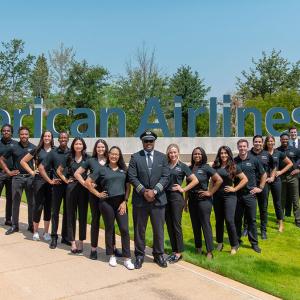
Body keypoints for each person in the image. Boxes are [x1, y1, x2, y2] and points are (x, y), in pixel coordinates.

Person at [86, 146, 134, 270]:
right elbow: (88, 182)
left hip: (121, 203)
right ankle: (111, 255)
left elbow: (128, 187)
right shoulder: (102, 169)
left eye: (116, 154)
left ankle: (127, 258)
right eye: (112, 154)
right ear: (108, 155)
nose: (114, 156)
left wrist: (125, 201)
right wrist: (97, 194)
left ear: (119, 156)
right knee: (109, 228)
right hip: (106, 203)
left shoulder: (124, 170)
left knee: (124, 229)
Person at [128, 130, 170, 269]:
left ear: (154, 142)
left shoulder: (162, 157)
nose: (148, 143)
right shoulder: (135, 157)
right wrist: (144, 191)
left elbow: (165, 177)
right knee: (140, 229)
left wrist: (155, 191)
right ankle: (139, 255)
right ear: (142, 142)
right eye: (146, 141)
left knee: (159, 230)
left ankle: (158, 255)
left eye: (151, 141)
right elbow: (132, 177)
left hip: (158, 200)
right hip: (140, 200)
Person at [74, 139, 121, 260]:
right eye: (98, 147)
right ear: (96, 148)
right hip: (94, 195)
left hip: (108, 196)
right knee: (95, 221)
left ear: (106, 148)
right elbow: (77, 174)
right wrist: (86, 184)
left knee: (110, 222)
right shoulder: (90, 161)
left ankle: (113, 248)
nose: (101, 149)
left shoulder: (110, 160)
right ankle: (94, 249)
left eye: (103, 147)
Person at [186, 147, 222, 260]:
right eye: (195, 154)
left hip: (203, 200)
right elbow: (187, 186)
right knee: (195, 225)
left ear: (203, 155)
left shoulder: (206, 167)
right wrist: (185, 201)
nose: (197, 156)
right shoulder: (189, 168)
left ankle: (210, 251)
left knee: (205, 225)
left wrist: (210, 192)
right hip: (192, 200)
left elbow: (219, 180)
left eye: (199, 154)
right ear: (192, 155)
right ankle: (198, 248)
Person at [165, 144, 199, 263]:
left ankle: (179, 253)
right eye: (170, 152)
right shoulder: (165, 165)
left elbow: (195, 180)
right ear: (168, 154)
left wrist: (183, 189)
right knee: (169, 224)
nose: (172, 154)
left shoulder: (183, 166)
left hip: (176, 198)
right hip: (165, 197)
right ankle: (174, 251)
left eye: (174, 152)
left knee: (176, 225)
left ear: (178, 152)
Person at [0, 126, 36, 235]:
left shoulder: (34, 147)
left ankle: (31, 226)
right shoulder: (14, 147)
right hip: (17, 178)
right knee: (15, 203)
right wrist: (8, 172)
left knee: (31, 203)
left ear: (29, 135)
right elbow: (1, 159)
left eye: (26, 134)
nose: (24, 136)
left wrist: (36, 172)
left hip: (30, 178)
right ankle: (15, 226)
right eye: (22, 134)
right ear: (19, 135)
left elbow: (39, 161)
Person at [212, 146, 248, 255]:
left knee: (229, 220)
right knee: (219, 221)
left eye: (225, 153)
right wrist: (210, 193)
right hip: (217, 196)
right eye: (221, 153)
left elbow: (245, 179)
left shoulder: (233, 166)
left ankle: (234, 245)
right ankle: (219, 243)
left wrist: (235, 188)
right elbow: (212, 182)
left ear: (229, 154)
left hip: (230, 197)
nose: (223, 155)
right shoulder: (215, 166)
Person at [20, 130, 55, 241]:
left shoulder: (55, 150)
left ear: (51, 138)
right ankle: (35, 232)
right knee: (38, 206)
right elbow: (23, 161)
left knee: (48, 207)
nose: (47, 138)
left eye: (49, 136)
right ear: (42, 137)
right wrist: (32, 172)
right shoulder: (37, 149)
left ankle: (45, 232)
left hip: (51, 180)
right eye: (45, 136)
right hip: (39, 180)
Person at [57, 137, 89, 254]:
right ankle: (73, 242)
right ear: (73, 146)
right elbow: (59, 171)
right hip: (71, 188)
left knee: (83, 215)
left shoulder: (88, 158)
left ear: (83, 145)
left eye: (80, 144)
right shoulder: (69, 157)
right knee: (70, 215)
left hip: (84, 189)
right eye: (76, 144)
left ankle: (81, 241)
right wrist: (66, 180)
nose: (78, 146)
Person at [38, 132, 70, 249]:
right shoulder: (53, 152)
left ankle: (66, 237)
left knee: (68, 211)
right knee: (55, 212)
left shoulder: (71, 152)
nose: (63, 139)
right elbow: (41, 168)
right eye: (61, 137)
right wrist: (50, 181)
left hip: (69, 187)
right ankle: (54, 237)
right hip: (56, 186)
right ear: (58, 139)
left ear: (68, 139)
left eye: (65, 137)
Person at [234, 139, 267, 253]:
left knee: (252, 220)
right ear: (237, 147)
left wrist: (260, 188)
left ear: (247, 147)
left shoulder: (254, 160)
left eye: (244, 146)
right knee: (237, 219)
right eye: (240, 146)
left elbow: (264, 174)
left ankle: (254, 243)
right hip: (237, 195)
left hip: (250, 195)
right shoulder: (234, 161)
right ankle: (236, 241)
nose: (242, 148)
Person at [263, 135, 293, 232]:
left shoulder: (278, 153)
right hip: (265, 180)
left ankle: (280, 223)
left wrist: (280, 172)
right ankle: (264, 223)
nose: (270, 143)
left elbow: (290, 163)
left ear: (274, 142)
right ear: (266, 143)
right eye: (268, 141)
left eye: (272, 141)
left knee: (277, 202)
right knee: (264, 202)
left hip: (276, 180)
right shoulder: (262, 153)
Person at [248, 135, 275, 239]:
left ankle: (263, 230)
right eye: (256, 141)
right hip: (250, 186)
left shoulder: (267, 154)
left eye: (259, 142)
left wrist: (272, 176)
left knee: (263, 208)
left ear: (262, 142)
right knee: (248, 208)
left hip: (263, 186)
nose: (258, 143)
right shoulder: (248, 154)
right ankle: (247, 228)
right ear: (253, 142)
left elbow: (273, 166)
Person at [277, 132, 300, 227]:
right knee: (281, 199)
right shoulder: (277, 150)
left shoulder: (295, 150)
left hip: (292, 177)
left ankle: (298, 220)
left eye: (286, 139)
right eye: (283, 139)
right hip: (281, 177)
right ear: (280, 140)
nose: (285, 141)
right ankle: (280, 219)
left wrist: (299, 169)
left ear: (289, 139)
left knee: (295, 199)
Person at [0, 124, 17, 226]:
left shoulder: (16, 144)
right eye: (4, 131)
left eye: (8, 131)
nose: (6, 132)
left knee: (10, 198)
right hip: (0, 173)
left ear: (11, 132)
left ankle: (8, 219)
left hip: (12, 174)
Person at [289, 126, 300, 198]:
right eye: (291, 132)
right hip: (290, 173)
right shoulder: (286, 144)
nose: (293, 134)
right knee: (291, 195)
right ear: (289, 133)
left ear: (297, 133)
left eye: (294, 132)